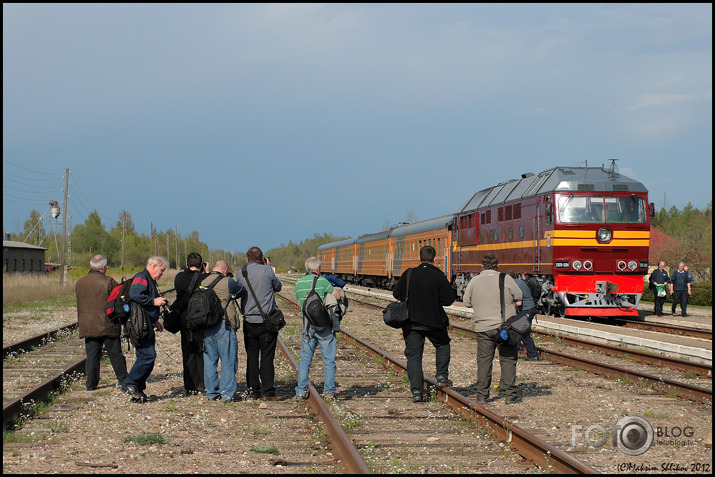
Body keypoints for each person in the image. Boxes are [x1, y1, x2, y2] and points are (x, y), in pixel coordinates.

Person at [392, 246, 456, 403]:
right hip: (434, 322)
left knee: (413, 357)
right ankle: (441, 376)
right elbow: (449, 299)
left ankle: (416, 392)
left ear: (419, 258)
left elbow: (396, 293)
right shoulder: (439, 276)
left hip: (411, 323)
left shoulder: (409, 274)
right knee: (442, 345)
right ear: (435, 259)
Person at [462, 253, 523, 405]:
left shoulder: (475, 280)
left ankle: (482, 395)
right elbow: (519, 296)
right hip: (505, 327)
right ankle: (510, 395)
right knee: (508, 359)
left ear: (482, 266)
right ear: (497, 266)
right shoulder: (506, 278)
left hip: (483, 327)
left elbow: (466, 302)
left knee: (484, 361)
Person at [235, 246, 283, 400]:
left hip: (249, 321)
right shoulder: (268, 271)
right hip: (267, 321)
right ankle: (268, 391)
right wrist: (267, 267)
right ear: (262, 259)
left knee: (252, 356)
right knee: (267, 357)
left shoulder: (241, 273)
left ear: (247, 259)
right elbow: (278, 287)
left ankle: (253, 390)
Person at [75, 254, 127, 391]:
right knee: (115, 354)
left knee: (92, 356)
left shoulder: (80, 282)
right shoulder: (109, 281)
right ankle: (124, 381)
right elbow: (117, 301)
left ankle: (91, 385)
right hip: (107, 324)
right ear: (103, 267)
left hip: (88, 325)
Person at [294, 256, 343, 401]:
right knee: (328, 360)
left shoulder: (299, 283)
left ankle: (301, 391)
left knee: (305, 360)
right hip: (324, 327)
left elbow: (299, 305)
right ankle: (329, 391)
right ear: (318, 269)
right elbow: (337, 297)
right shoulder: (323, 281)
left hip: (308, 326)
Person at [122, 256, 168, 403]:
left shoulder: (149, 279)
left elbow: (143, 307)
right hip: (139, 326)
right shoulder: (142, 278)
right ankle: (130, 383)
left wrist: (155, 322)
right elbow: (135, 295)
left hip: (145, 324)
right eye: (161, 270)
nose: (162, 274)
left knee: (145, 356)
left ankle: (137, 389)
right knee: (148, 356)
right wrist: (154, 301)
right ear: (154, 266)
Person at [201, 260, 245, 402]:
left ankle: (211, 393)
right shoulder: (228, 282)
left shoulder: (203, 281)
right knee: (228, 360)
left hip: (206, 325)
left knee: (209, 360)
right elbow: (242, 291)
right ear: (225, 271)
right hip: (223, 325)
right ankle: (227, 394)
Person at [169, 252, 209, 396]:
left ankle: (190, 385)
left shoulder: (179, 277)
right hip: (199, 319)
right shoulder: (205, 278)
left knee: (188, 353)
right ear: (201, 265)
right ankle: (202, 384)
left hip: (184, 320)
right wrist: (207, 272)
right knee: (202, 352)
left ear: (187, 264)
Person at [507, 271, 538, 361]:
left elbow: (519, 302)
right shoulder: (519, 282)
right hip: (529, 309)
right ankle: (519, 348)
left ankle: (533, 355)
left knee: (524, 332)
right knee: (518, 329)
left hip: (526, 309)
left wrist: (509, 305)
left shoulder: (516, 284)